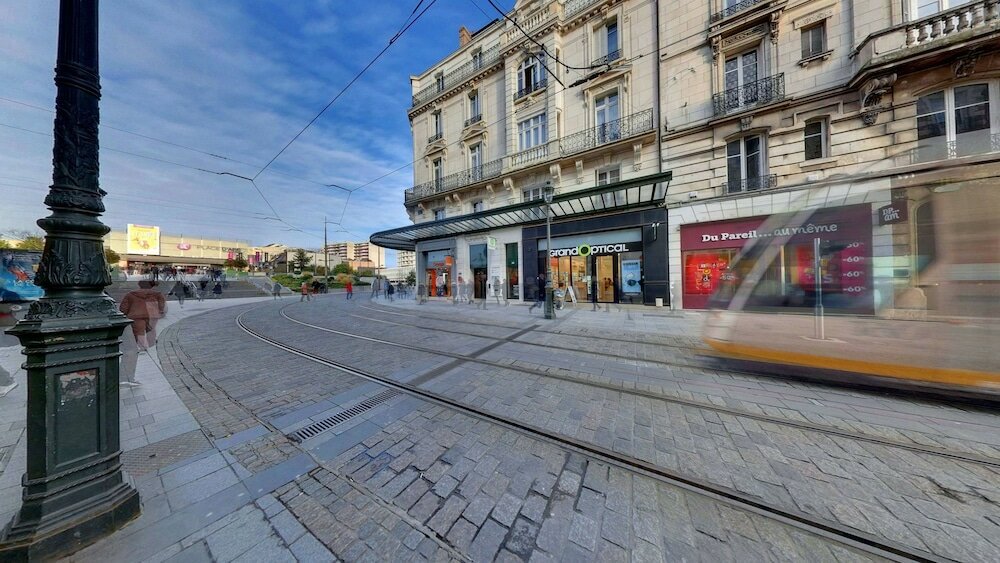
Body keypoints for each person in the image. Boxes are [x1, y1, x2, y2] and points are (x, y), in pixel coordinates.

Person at [118, 280, 167, 386]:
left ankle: (141, 346)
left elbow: (123, 309)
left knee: (134, 341)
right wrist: (159, 312)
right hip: (151, 317)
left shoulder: (130, 294)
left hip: (134, 318)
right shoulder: (157, 294)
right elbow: (162, 307)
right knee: (149, 334)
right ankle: (145, 346)